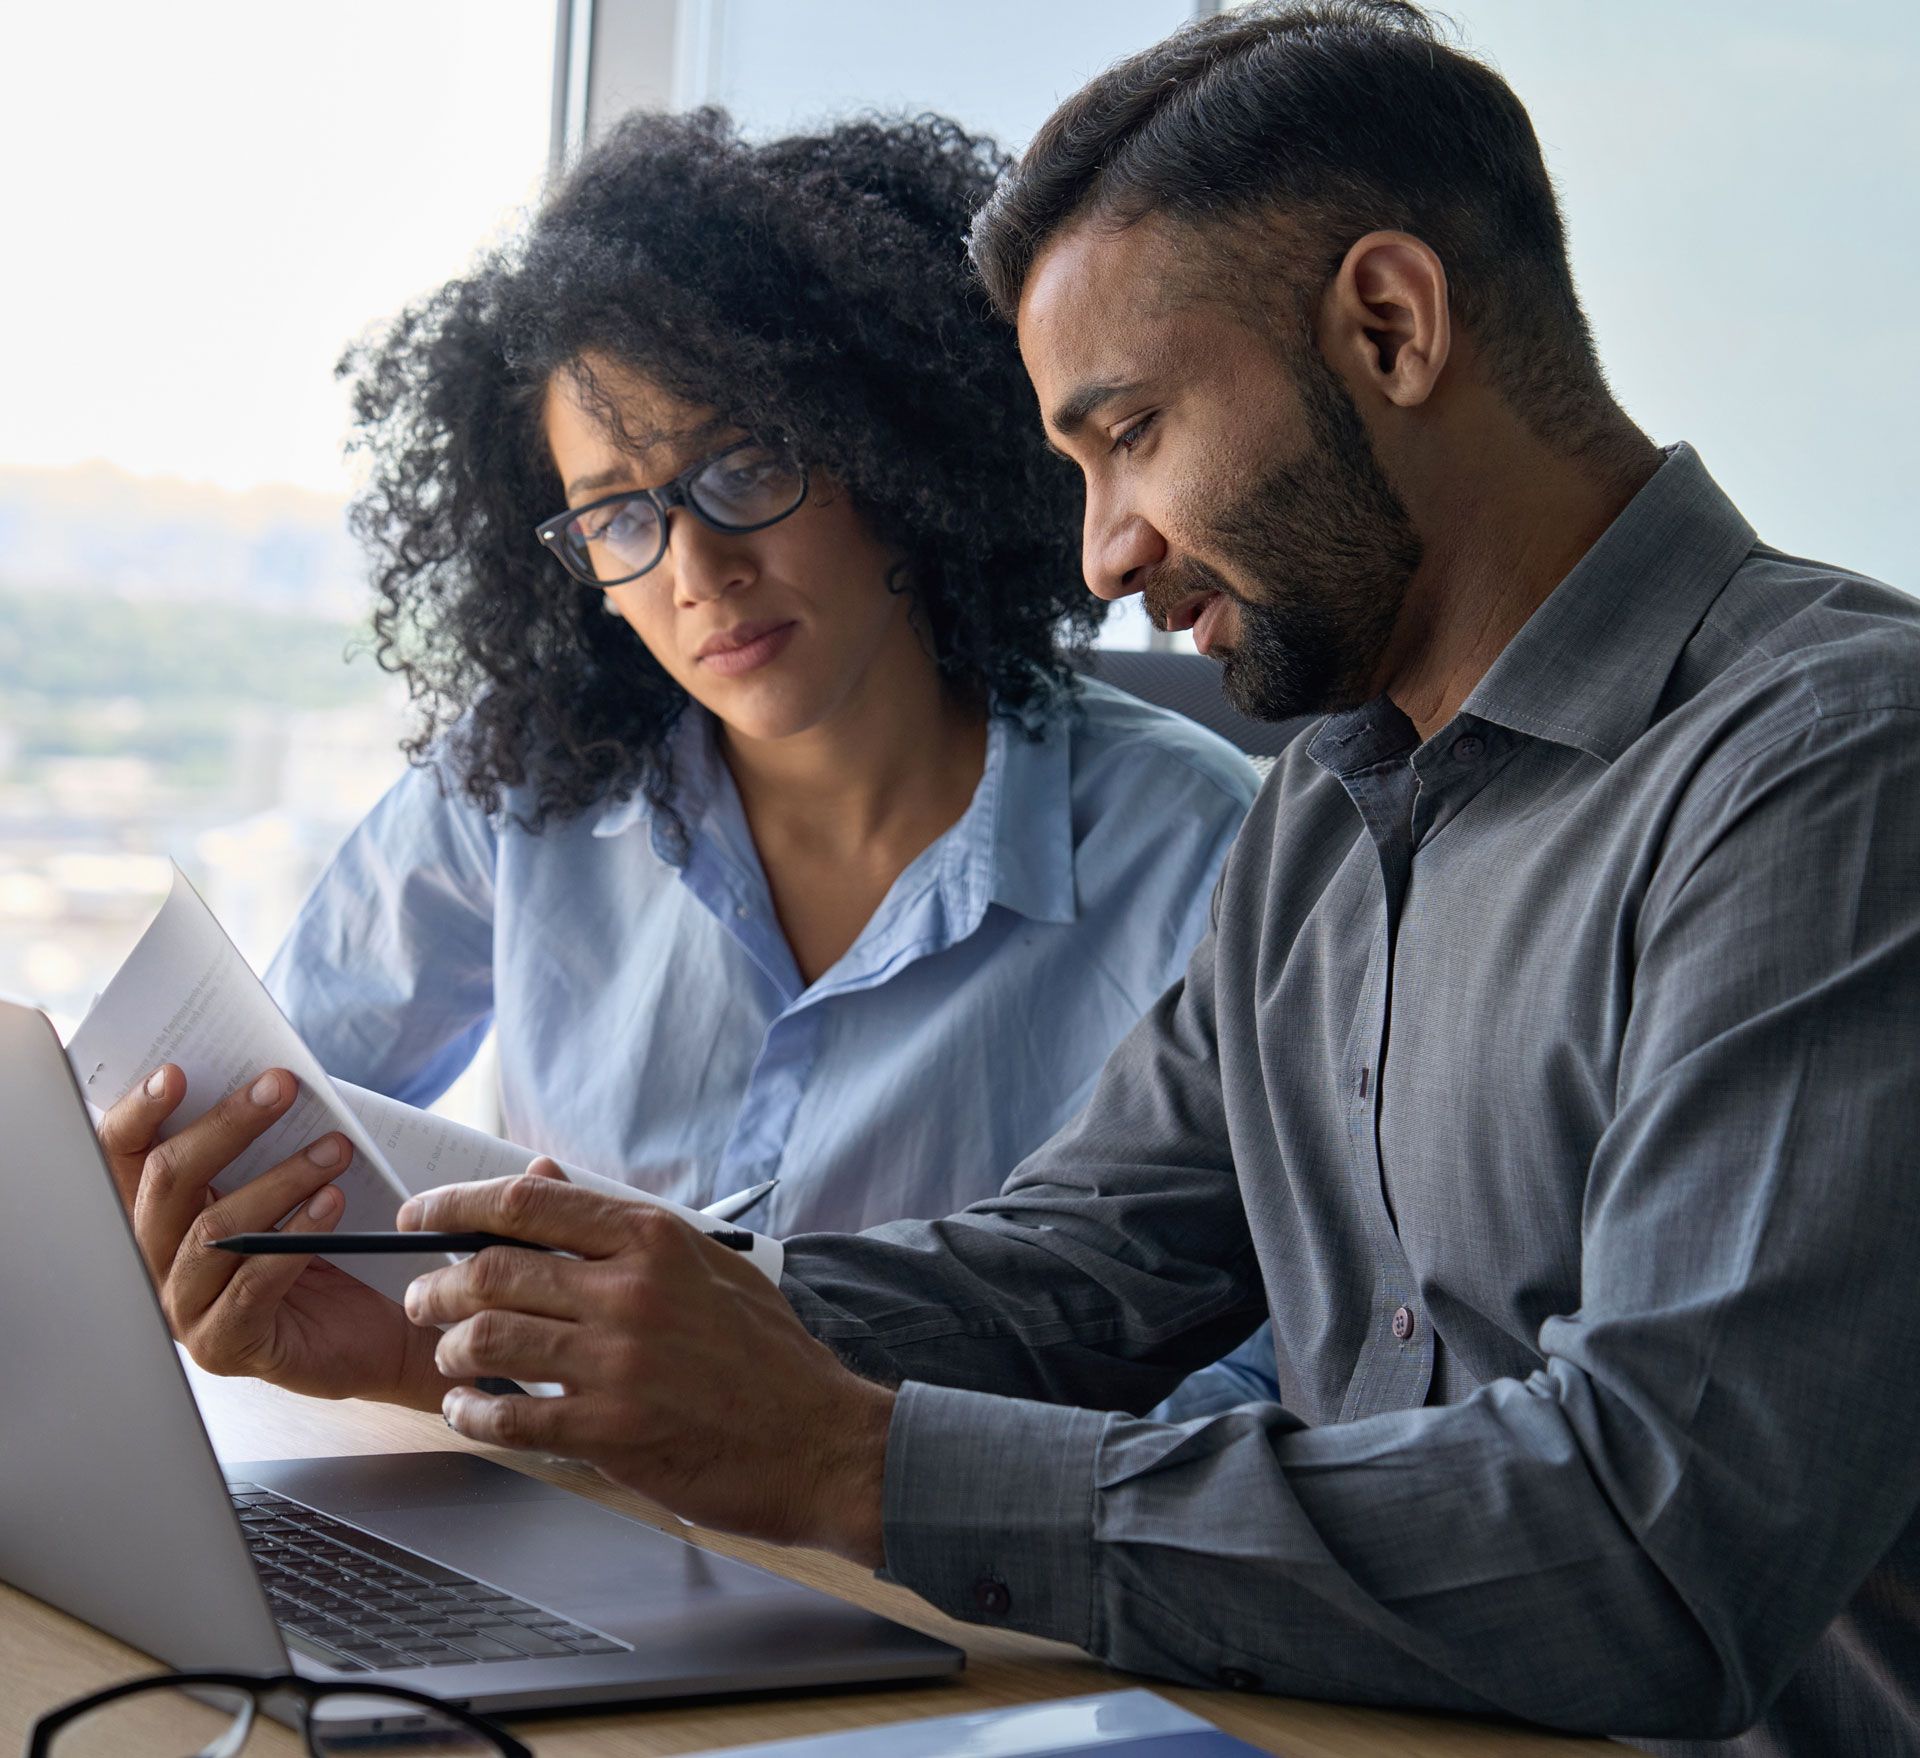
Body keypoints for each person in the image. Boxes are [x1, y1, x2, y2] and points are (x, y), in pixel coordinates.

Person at [101, 3, 1920, 1752]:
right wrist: (494, 1330)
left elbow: (1656, 1547)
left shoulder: (1833, 768)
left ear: (1388, 324)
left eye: (1130, 433)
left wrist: (858, 1464)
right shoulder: (1334, 814)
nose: (1107, 551)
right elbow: (1076, 1274)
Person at [96, 113, 1255, 1399]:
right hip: (530, 1500)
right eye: (615, 516)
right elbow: (284, 1111)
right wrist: (194, 1219)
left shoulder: (1198, 851)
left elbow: (1257, 1390)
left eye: (745, 466)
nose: (699, 570)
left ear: (893, 450)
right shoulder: (517, 790)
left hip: (933, 1580)